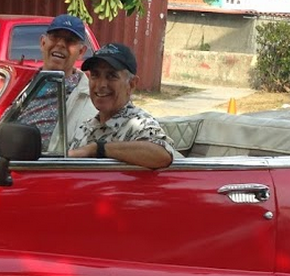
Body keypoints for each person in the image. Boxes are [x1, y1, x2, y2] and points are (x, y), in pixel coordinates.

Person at [67, 43, 177, 169]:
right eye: (95, 75)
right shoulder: (86, 127)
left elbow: (162, 154)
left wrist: (98, 149)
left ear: (131, 84)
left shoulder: (138, 123)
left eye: (111, 76)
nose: (101, 84)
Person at [18, 14, 96, 148]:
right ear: (43, 42)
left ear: (81, 52)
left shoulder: (89, 98)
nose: (60, 44)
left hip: (39, 166)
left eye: (70, 40)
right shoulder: (20, 82)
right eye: (55, 37)